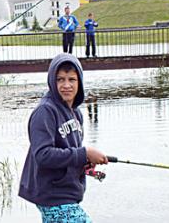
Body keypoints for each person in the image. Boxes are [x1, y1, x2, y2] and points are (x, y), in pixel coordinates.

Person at [19, 53, 108, 222]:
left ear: (79, 82)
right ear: (53, 81)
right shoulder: (45, 112)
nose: (66, 85)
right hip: (53, 195)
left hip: (68, 193)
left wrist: (84, 163)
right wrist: (84, 153)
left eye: (71, 79)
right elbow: (43, 155)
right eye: (60, 80)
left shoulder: (76, 114)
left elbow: (69, 152)